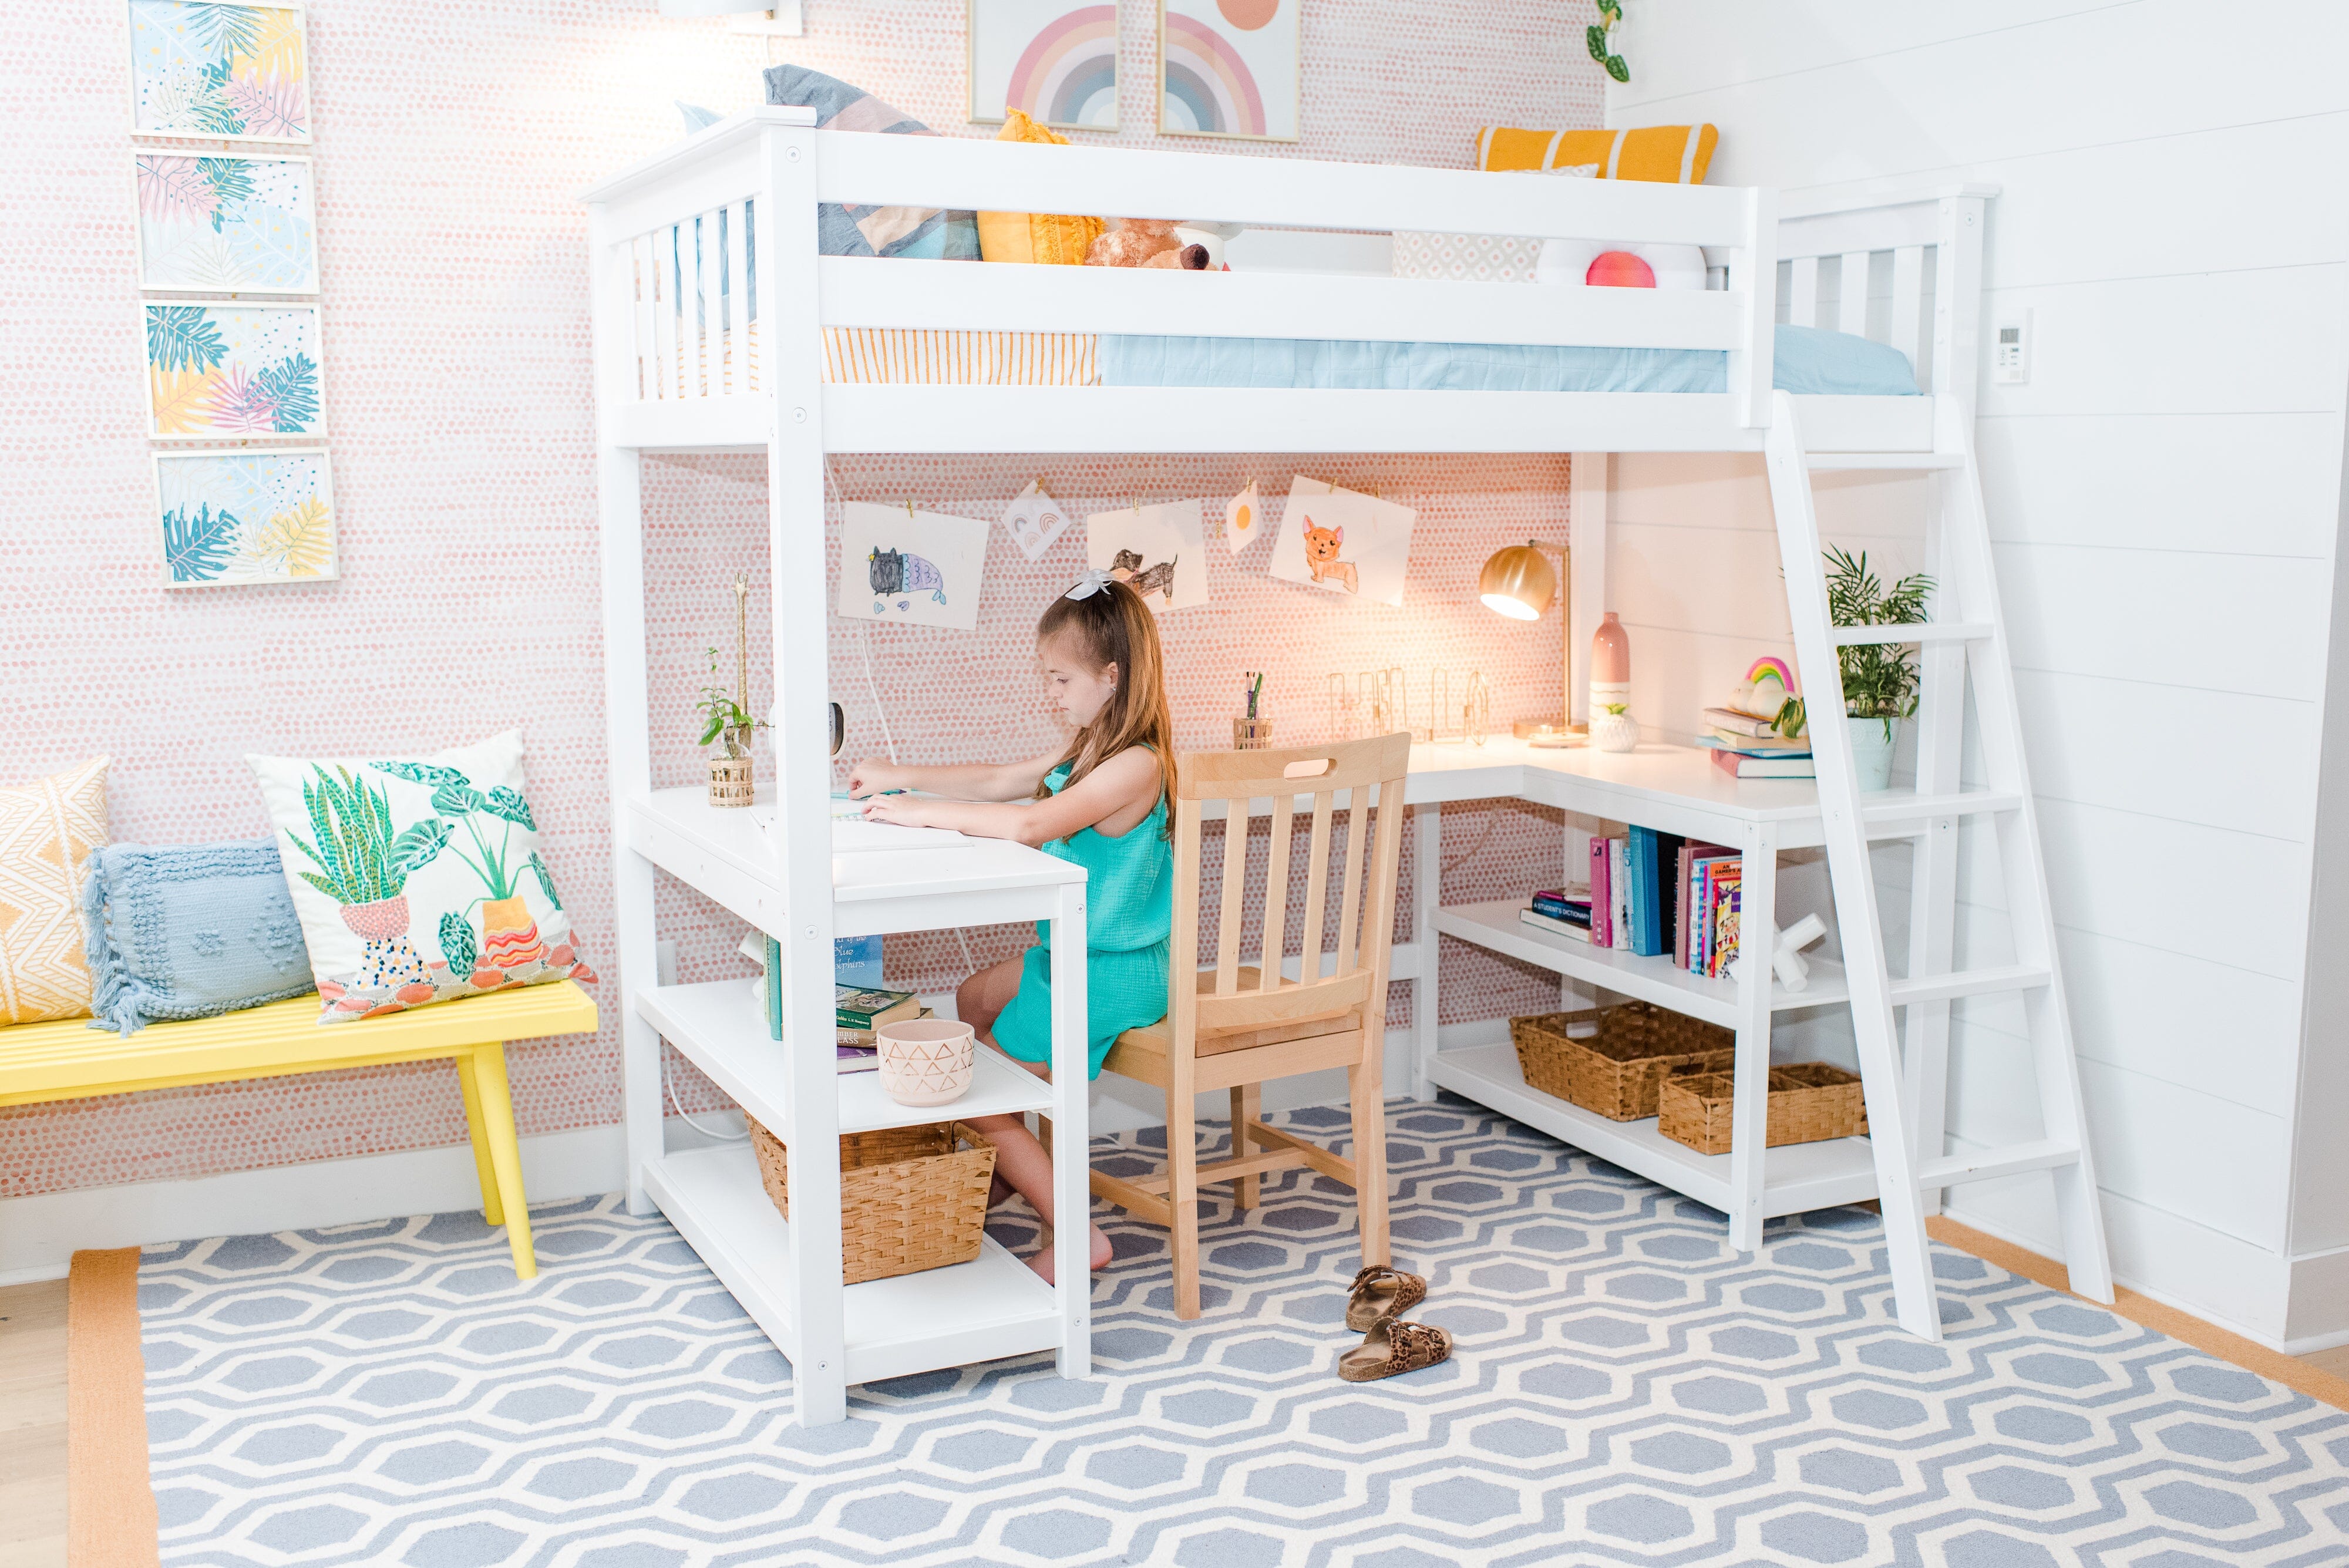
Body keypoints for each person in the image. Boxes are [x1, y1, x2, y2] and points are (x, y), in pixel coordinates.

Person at [849, 571, 1174, 1281]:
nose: (1050, 695)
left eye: (1060, 680)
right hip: (1081, 958)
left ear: (1111, 678)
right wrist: (899, 779)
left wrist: (920, 814)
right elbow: (1002, 782)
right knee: (973, 998)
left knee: (969, 1084)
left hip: (1108, 974)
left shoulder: (1136, 766)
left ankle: (1075, 1228)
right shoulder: (1091, 750)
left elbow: (1027, 824)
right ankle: (1007, 1172)